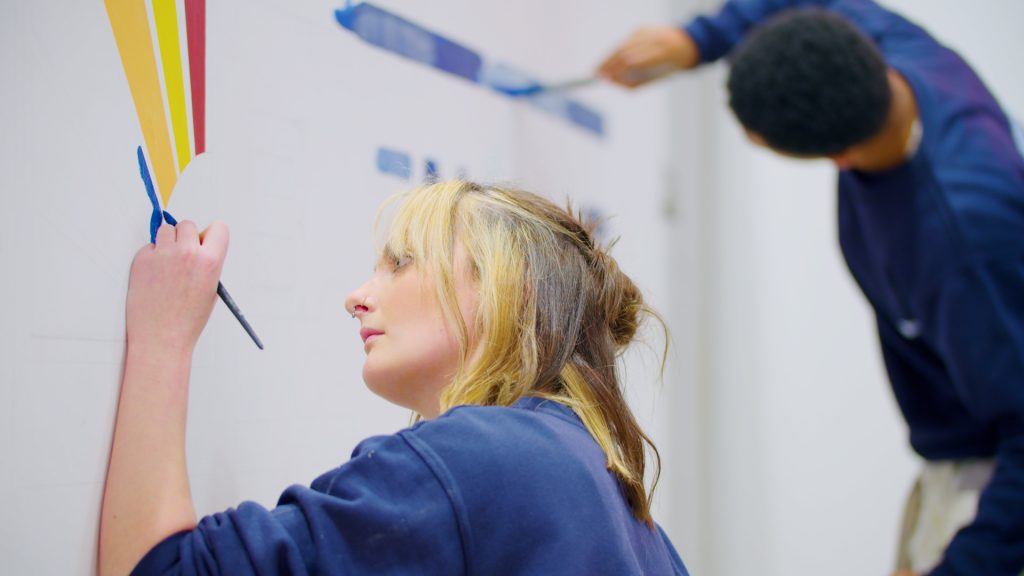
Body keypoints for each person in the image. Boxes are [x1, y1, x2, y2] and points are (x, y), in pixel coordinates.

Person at [598, 1, 1024, 575]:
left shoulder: (964, 245)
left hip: (993, 477)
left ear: (838, 156)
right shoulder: (889, 47)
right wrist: (698, 40)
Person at [98, 180, 689, 575]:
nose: (355, 297)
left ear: (513, 290)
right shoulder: (619, 502)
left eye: (400, 263)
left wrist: (163, 340)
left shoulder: (478, 460)